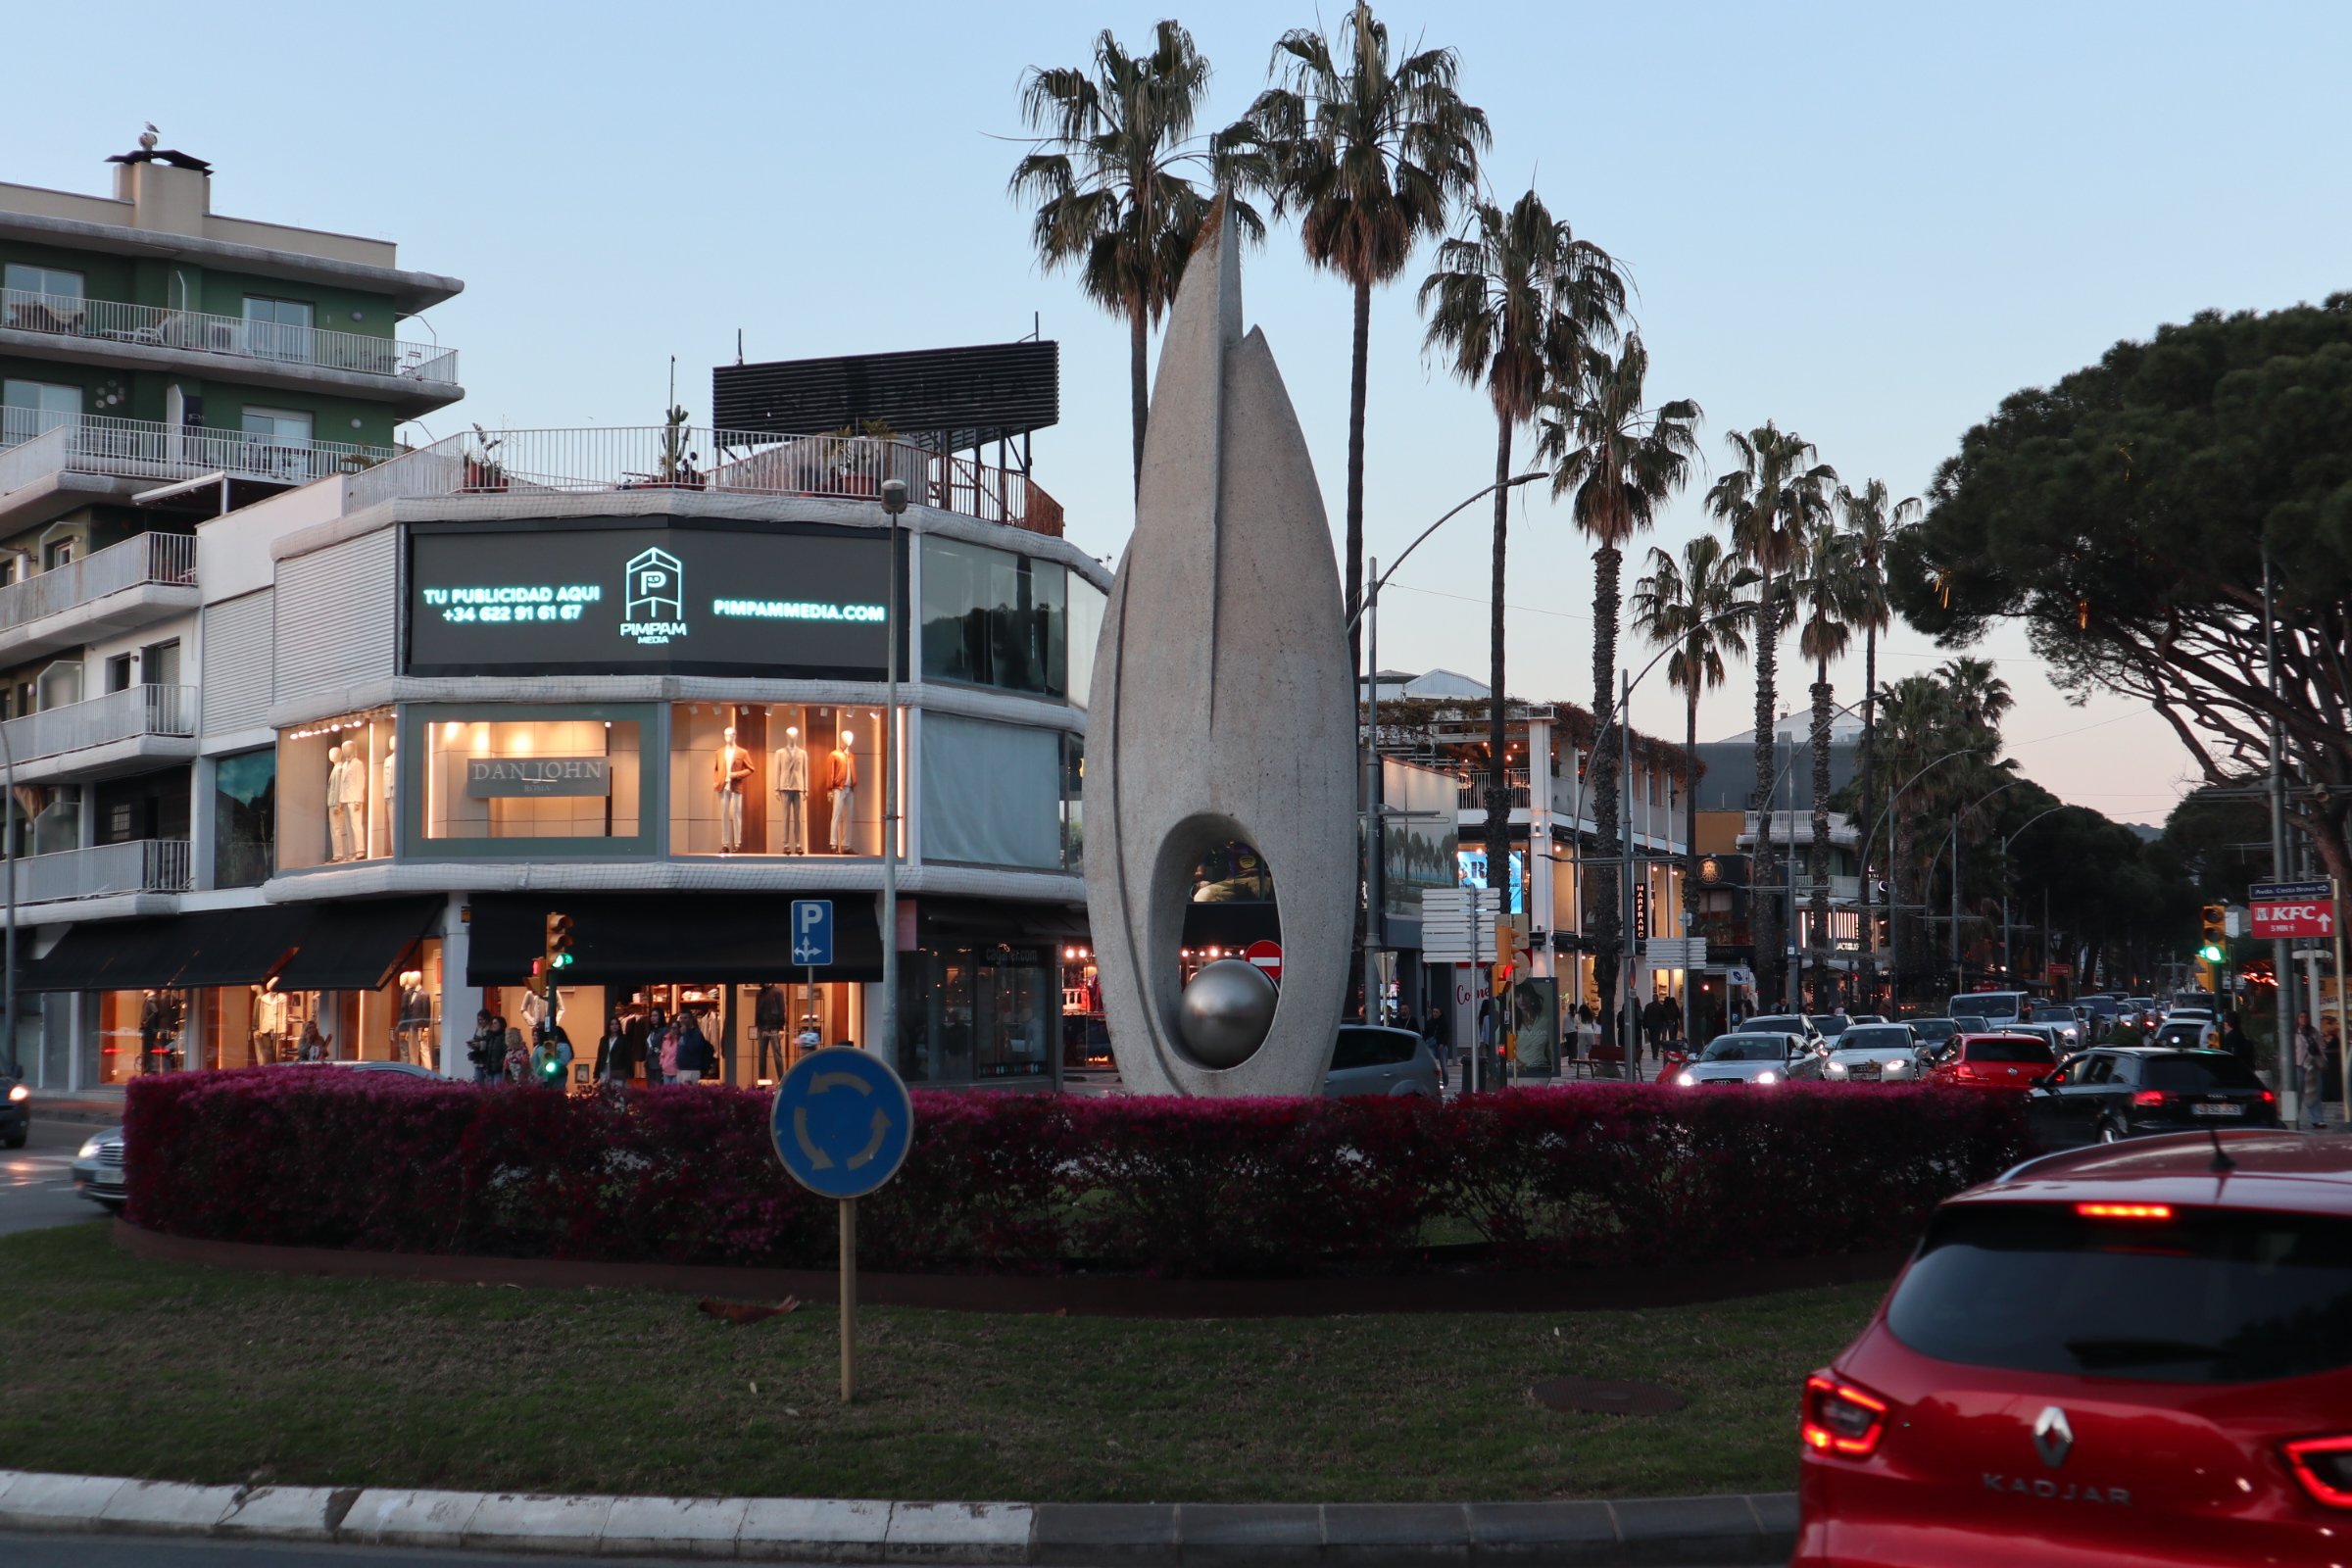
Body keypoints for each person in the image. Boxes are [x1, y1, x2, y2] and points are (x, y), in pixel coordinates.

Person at [2296, 1011, 2325, 1128]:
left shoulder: (2313, 1032)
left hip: (2313, 1065)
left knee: (2314, 1093)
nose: (2304, 1019)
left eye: (2306, 1017)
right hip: (2299, 1065)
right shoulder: (2294, 1033)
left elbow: (2321, 1046)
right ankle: (2294, 1118)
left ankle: (2317, 1119)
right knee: (2298, 1094)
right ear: (2297, 1019)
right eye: (2301, 1017)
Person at [673, 1009, 713, 1084]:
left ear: (691, 1019)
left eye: (685, 1018)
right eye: (681, 1018)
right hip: (681, 1070)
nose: (682, 1020)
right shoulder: (682, 1032)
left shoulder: (696, 1033)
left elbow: (692, 1048)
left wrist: (685, 1034)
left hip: (691, 1070)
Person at [594, 1011, 633, 1084]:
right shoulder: (604, 1039)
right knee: (605, 1090)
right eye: (612, 1024)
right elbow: (599, 1057)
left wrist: (629, 1073)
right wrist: (596, 1074)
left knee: (618, 1089)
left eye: (616, 1024)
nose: (614, 1026)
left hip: (618, 1069)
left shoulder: (624, 1039)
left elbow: (628, 1056)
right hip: (604, 1067)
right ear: (609, 1026)